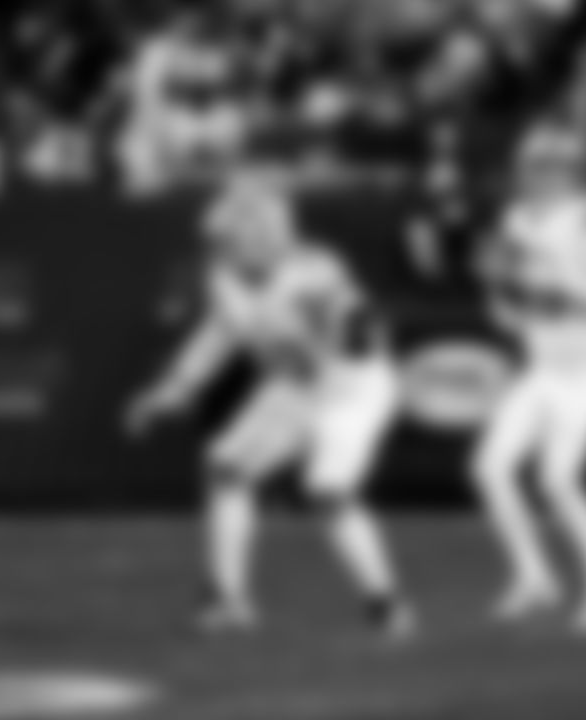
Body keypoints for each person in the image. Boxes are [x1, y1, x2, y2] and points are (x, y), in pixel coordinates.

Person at [125, 176, 411, 637]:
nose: (222, 248)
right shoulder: (223, 276)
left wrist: (350, 329)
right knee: (225, 467)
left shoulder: (314, 272)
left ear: (266, 235)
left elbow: (358, 329)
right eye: (222, 240)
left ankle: (386, 603)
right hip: (295, 386)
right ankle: (228, 598)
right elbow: (218, 335)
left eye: (232, 238)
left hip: (351, 390)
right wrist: (170, 390)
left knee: (328, 493)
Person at [471, 121, 586, 633]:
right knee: (490, 468)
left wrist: (560, 288)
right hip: (542, 366)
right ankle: (533, 577)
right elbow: (511, 305)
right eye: (531, 166)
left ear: (569, 170)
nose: (535, 176)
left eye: (546, 166)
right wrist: (507, 303)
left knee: (558, 480)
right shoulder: (515, 218)